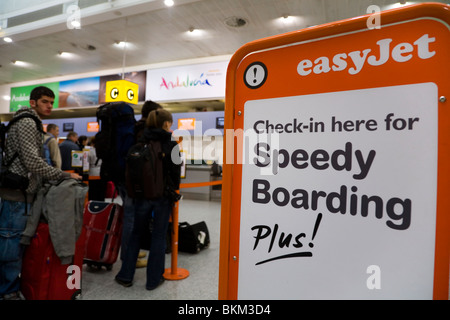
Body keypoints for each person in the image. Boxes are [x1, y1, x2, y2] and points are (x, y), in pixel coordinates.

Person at [0, 86, 81, 300]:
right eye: (45, 101)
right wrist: (62, 174)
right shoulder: (27, 121)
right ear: (33, 102)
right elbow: (32, 161)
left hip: (21, 194)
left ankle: (10, 288)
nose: (50, 106)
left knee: (14, 244)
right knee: (11, 246)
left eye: (52, 102)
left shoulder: (27, 121)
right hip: (16, 196)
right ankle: (7, 292)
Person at [115, 109, 181, 290]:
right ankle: (153, 280)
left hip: (141, 196)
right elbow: (176, 173)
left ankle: (125, 276)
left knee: (136, 234)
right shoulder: (171, 143)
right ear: (166, 123)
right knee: (158, 237)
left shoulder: (139, 142)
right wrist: (174, 190)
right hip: (161, 198)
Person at [87, 136, 107, 201]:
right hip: (101, 172)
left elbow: (87, 162)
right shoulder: (104, 150)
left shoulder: (89, 151)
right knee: (101, 192)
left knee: (93, 191)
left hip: (92, 172)